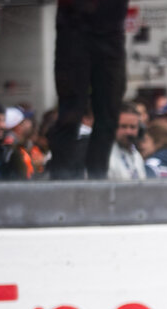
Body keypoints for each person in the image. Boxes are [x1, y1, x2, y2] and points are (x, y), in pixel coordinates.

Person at [46, 0, 128, 180]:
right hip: (75, 28)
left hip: (109, 32)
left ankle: (97, 177)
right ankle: (62, 179)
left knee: (108, 113)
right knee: (71, 112)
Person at [107, 103, 146, 181]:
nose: (128, 132)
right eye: (123, 126)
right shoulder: (107, 155)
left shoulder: (137, 155)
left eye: (133, 127)